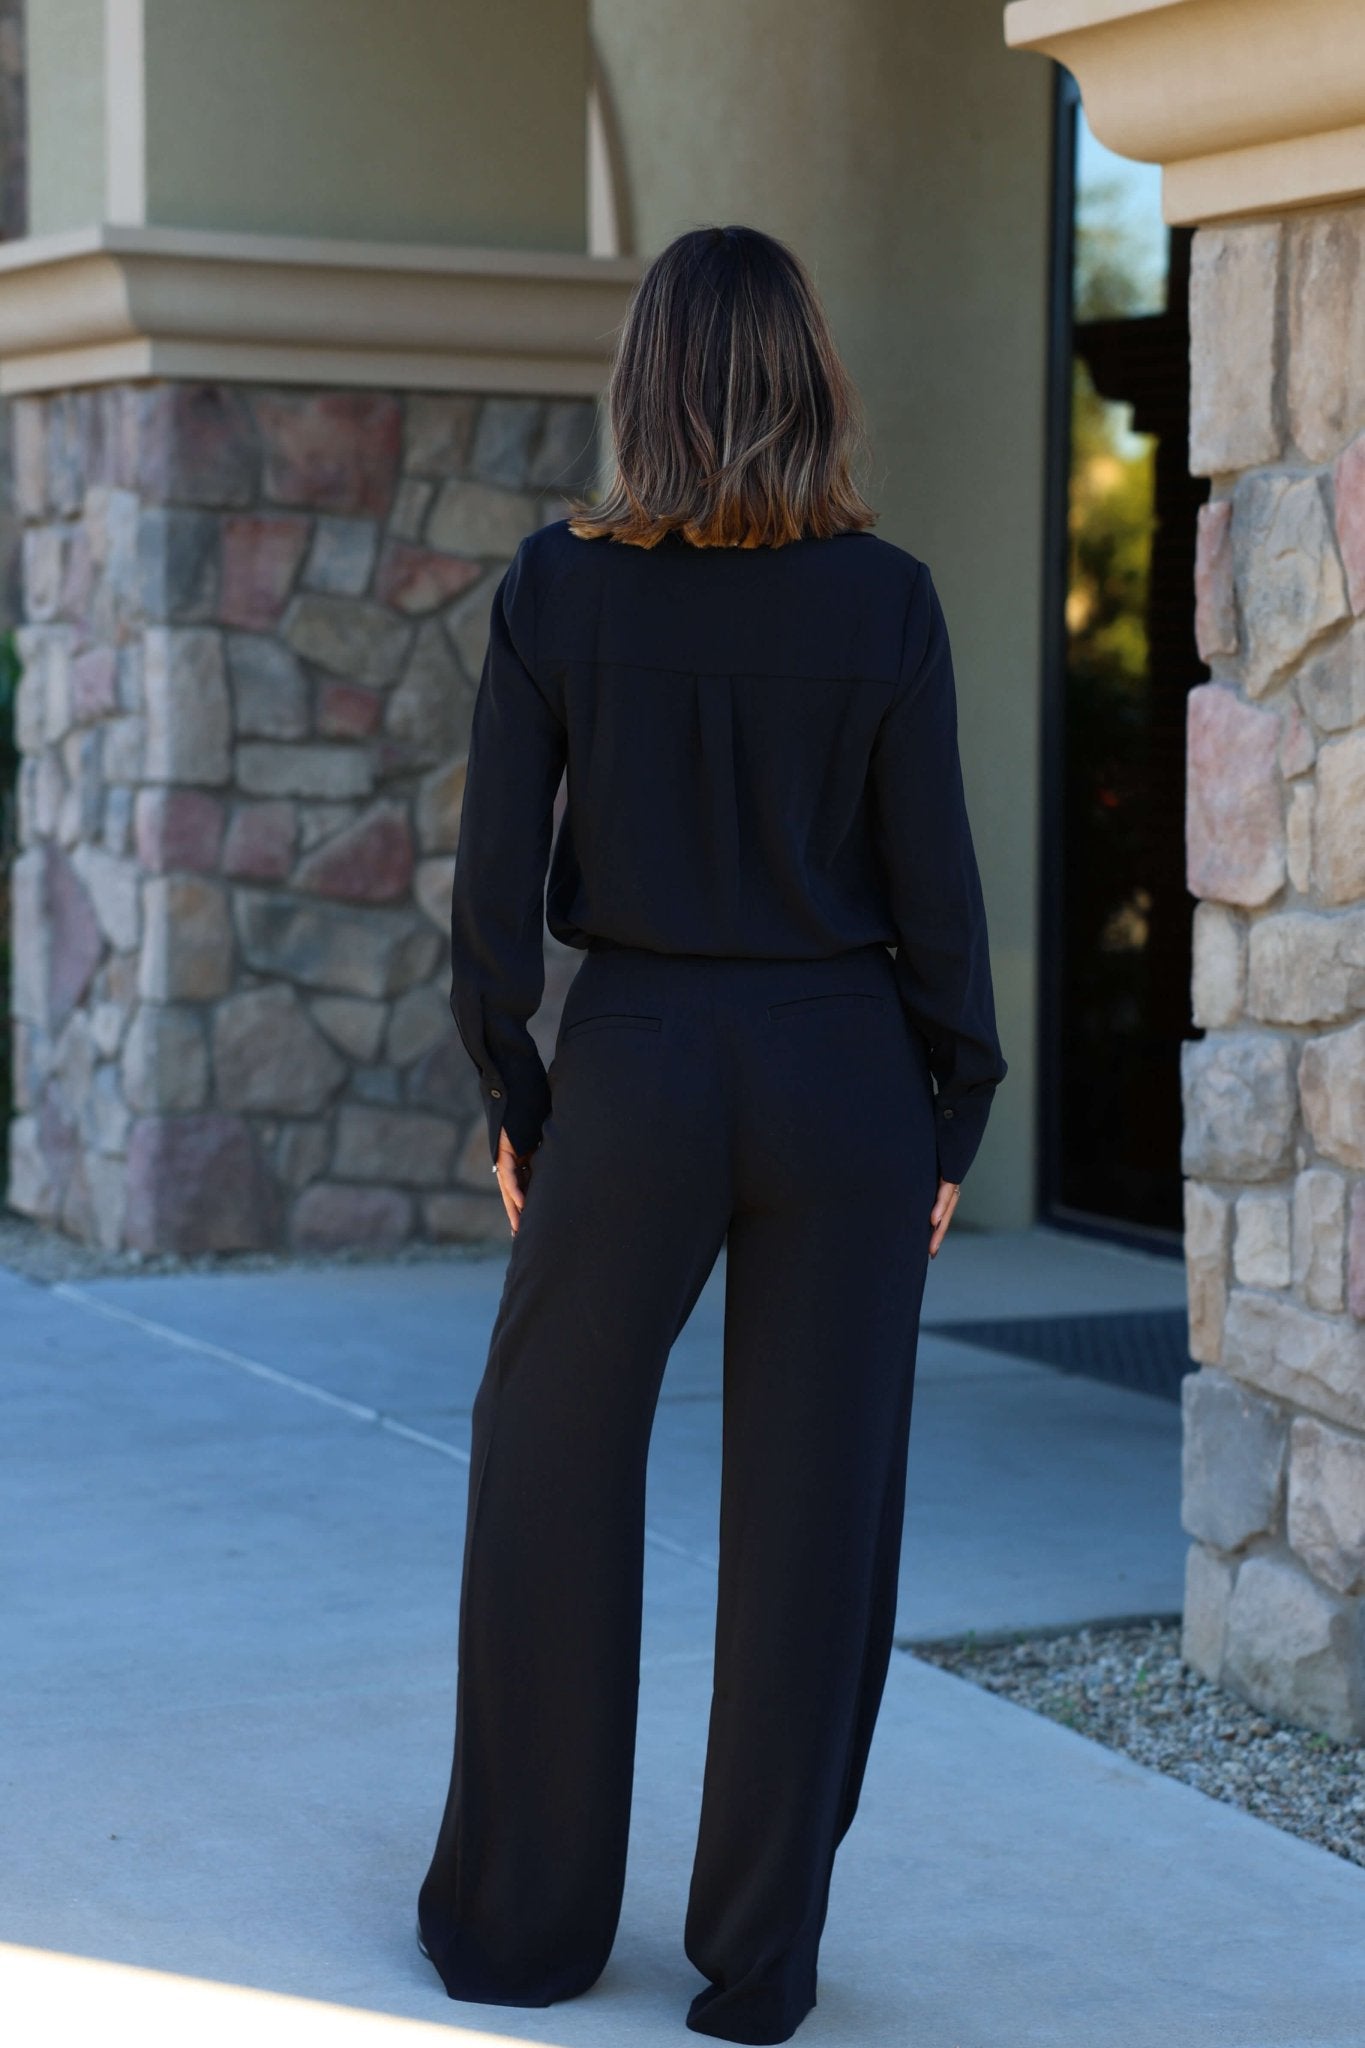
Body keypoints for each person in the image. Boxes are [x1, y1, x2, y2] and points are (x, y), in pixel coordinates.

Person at [416, 222, 1008, 2046]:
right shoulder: (887, 598)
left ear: (644, 382)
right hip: (841, 1076)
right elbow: (942, 908)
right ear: (811, 379)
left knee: (546, 1479)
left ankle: (523, 1926)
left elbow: (491, 914)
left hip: (642, 1062)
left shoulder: (556, 586)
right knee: (814, 1521)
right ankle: (757, 1967)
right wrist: (947, 1121)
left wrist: (519, 1103)